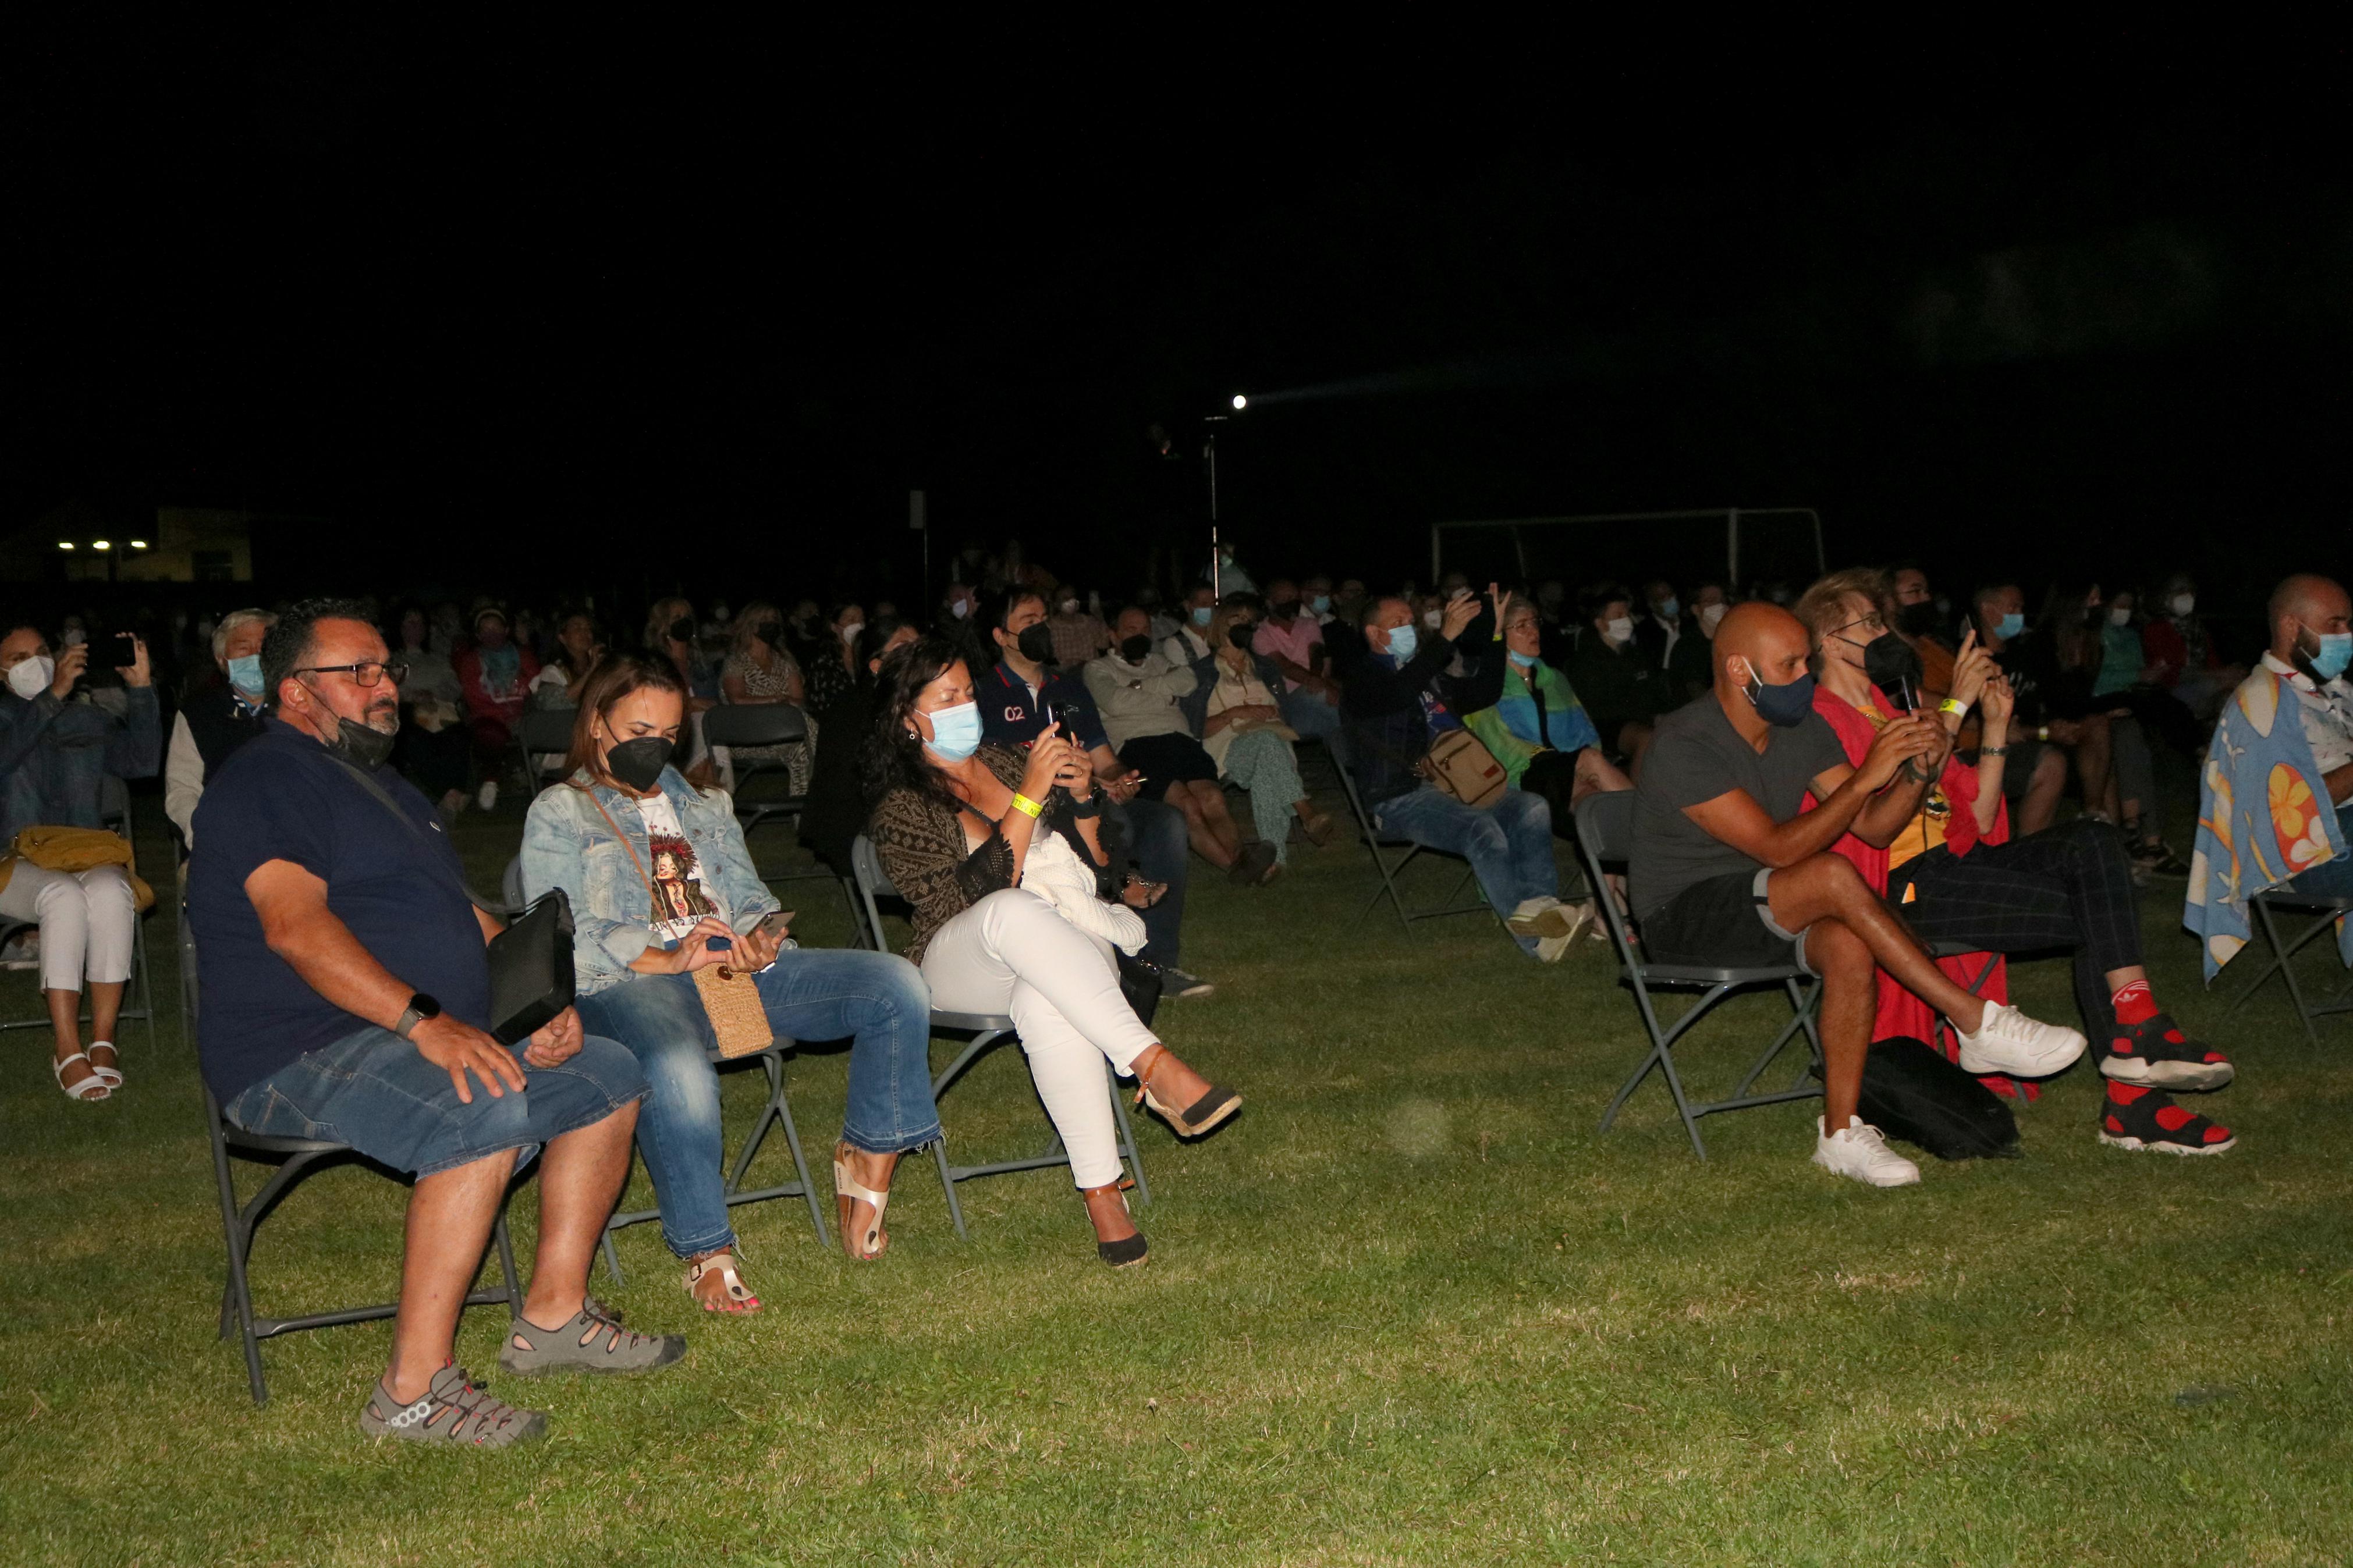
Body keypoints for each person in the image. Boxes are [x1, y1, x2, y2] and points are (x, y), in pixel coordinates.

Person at [190, 599, 682, 1445]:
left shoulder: (390, 789)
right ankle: (411, 1390)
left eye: (387, 668)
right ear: (295, 690)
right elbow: (295, 927)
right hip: (299, 1047)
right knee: (478, 1098)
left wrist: (539, 1007)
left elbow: (461, 917)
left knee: (607, 1071)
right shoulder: (268, 778)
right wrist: (426, 1024)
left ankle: (554, 1317)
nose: (386, 685)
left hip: (409, 1030)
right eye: (361, 672)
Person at [1630, 602, 2089, 1187]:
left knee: (1846, 944)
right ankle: (1972, 1020)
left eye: (1806, 660)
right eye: (1790, 664)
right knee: (1827, 873)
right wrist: (1866, 775)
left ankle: (1840, 1132)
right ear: (1740, 670)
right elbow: (1776, 848)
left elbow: (1871, 825)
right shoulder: (1684, 743)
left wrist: (1917, 771)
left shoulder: (1799, 730)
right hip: (1686, 916)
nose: (1804, 676)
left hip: (1768, 904)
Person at [521, 655, 939, 1297]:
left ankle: (865, 1159)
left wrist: (759, 941)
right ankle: (705, 1249)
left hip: (730, 979)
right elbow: (558, 931)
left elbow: (749, 899)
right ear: (597, 723)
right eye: (637, 730)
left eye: (665, 734)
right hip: (631, 985)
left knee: (893, 984)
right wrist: (668, 957)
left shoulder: (707, 805)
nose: (652, 745)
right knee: (677, 1065)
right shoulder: (561, 810)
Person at [1797, 571, 2232, 1144]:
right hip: (1895, 890)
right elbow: (1878, 826)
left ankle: (2137, 1024)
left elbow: (1975, 820)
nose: (1886, 633)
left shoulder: (1890, 706)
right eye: (1871, 623)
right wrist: (1955, 702)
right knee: (2099, 913)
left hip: (1950, 867)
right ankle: (2132, 1097)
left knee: (2091, 839)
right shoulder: (1815, 719)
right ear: (1829, 639)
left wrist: (1995, 725)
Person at [867, 639, 1239, 1264]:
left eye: (967, 692)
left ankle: (1102, 1196)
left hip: (1059, 945)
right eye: (946, 697)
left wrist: (1086, 797)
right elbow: (967, 898)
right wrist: (1030, 798)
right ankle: (1153, 1066)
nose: (966, 705)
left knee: (1045, 1000)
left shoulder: (1011, 761)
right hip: (963, 958)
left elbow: (1094, 874)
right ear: (908, 717)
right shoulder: (900, 805)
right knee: (1012, 909)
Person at [978, 588, 1209, 998]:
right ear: (1001, 636)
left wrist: (1119, 777)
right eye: (1028, 622)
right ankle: (1117, 952)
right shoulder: (984, 693)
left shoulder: (1067, 688)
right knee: (1111, 823)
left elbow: (1104, 758)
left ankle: (1157, 961)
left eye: (1042, 620)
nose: (1041, 629)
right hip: (1030, 815)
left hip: (1088, 799)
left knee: (1167, 822)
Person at [1340, 585, 1581, 960]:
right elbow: (1399, 695)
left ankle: (1544, 911)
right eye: (1398, 622)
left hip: (1460, 788)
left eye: (1410, 620)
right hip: (1399, 798)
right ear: (1374, 633)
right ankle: (1536, 940)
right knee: (1480, 829)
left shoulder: (1426, 678)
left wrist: (1496, 634)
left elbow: (1484, 693)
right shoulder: (1363, 679)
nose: (1409, 627)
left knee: (1532, 807)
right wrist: (1446, 637)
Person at [1, 621, 160, 1101]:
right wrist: (51, 697)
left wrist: (141, 692)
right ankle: (66, 1043)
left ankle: (103, 1038)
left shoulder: (85, 718)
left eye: (41, 650)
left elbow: (143, 763)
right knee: (63, 894)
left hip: (83, 851)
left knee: (112, 889)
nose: (34, 661)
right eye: (17, 657)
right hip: (13, 864)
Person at [1085, 606, 1274, 884]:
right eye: (1131, 630)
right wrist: (1165, 696)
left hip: (1180, 739)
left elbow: (1188, 681)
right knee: (1187, 806)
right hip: (1137, 745)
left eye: (1146, 630)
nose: (1141, 636)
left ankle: (1241, 861)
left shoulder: (1160, 661)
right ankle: (1236, 867)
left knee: (1213, 799)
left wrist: (1137, 688)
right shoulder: (1097, 668)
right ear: (1113, 636)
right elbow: (1114, 702)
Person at [1462, 593, 1631, 844]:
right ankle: (1658, 833)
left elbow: (1584, 728)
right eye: (1521, 626)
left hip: (1564, 772)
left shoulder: (1554, 679)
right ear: (1500, 636)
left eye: (1534, 622)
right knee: (1591, 761)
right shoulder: (1487, 686)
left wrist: (1573, 763)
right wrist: (1568, 761)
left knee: (1592, 799)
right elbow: (1497, 745)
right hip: (1521, 773)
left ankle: (1612, 881)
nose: (1533, 631)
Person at [1200, 599, 1331, 867]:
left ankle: (1275, 861)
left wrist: (1273, 713)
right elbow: (1195, 729)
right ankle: (1305, 810)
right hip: (1227, 752)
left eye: (1250, 620)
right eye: (1238, 618)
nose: (1246, 625)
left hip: (1271, 747)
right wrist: (1234, 713)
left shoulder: (1264, 668)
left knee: (1266, 760)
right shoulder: (1203, 672)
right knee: (1267, 743)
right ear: (1221, 624)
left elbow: (1284, 714)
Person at [1975, 581, 2110, 837]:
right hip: (2001, 745)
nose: (2019, 614)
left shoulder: (2023, 654)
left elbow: (2051, 698)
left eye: (2021, 607)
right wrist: (2045, 732)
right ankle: (2032, 847)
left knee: (2100, 734)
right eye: (2013, 607)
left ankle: (2100, 824)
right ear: (1988, 610)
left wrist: (2055, 725)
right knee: (2053, 761)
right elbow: (1986, 727)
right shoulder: (1973, 659)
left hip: (2036, 733)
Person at [165, 607, 275, 850]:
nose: (256, 656)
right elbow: (182, 790)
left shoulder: (303, 710)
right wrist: (204, 839)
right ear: (222, 660)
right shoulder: (198, 713)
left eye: (264, 647)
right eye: (244, 648)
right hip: (221, 838)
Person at [718, 601, 817, 796]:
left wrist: (782, 704)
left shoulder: (785, 660)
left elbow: (798, 700)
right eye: (764, 620)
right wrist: (776, 701)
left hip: (784, 735)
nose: (771, 624)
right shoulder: (736, 661)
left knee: (803, 752)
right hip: (748, 737)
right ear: (751, 626)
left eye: (774, 620)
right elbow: (737, 700)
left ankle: (804, 815)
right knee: (807, 728)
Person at [1563, 581, 1661, 778]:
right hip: (1605, 727)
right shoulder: (1584, 662)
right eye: (1618, 616)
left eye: (1627, 615)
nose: (1626, 621)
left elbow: (1655, 689)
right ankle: (1636, 798)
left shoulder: (1637, 654)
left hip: (1640, 719)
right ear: (1600, 623)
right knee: (1646, 738)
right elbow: (1595, 708)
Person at [452, 607, 541, 811]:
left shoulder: (524, 656)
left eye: (496, 628)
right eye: (485, 629)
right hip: (490, 718)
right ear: (478, 635)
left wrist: (520, 713)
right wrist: (504, 715)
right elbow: (473, 695)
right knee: (490, 733)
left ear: (506, 630)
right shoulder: (472, 661)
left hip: (525, 717)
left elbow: (538, 686)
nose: (491, 633)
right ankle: (491, 780)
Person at [1252, 578, 1349, 764]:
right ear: (1270, 602)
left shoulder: (1308, 624)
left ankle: (1353, 764)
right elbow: (1285, 666)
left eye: (1295, 597)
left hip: (1316, 694)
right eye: (1287, 598)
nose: (1294, 602)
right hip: (1288, 701)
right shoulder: (1261, 634)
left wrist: (1318, 680)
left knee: (1336, 713)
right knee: (1331, 701)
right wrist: (1318, 683)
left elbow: (1316, 652)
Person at [2142, 571, 2244, 723]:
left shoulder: (2197, 628)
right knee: (2229, 684)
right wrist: (2220, 675)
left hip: (2202, 687)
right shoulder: (2156, 629)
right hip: (2172, 692)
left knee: (2230, 695)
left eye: (2191, 591)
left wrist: (2225, 672)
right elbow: (2171, 673)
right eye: (2181, 591)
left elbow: (2213, 663)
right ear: (2166, 596)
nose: (2187, 595)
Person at [1634, 579, 1702, 709]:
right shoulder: (1644, 632)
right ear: (1652, 605)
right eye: (1662, 598)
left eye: (1670, 595)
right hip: (1664, 689)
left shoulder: (1690, 625)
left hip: (1691, 679)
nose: (1669, 600)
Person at [1046, 588, 1109, 670]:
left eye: (1073, 597)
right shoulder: (1051, 627)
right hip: (1066, 672)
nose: (1071, 601)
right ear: (1056, 604)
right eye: (1066, 598)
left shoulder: (1089, 621)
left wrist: (1100, 618)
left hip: (1092, 670)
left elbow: (1104, 645)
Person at [1159, 585, 1217, 669]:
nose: (1210, 609)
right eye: (1204, 604)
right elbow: (1185, 678)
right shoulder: (1175, 643)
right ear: (1187, 606)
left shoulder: (1218, 637)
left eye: (1213, 604)